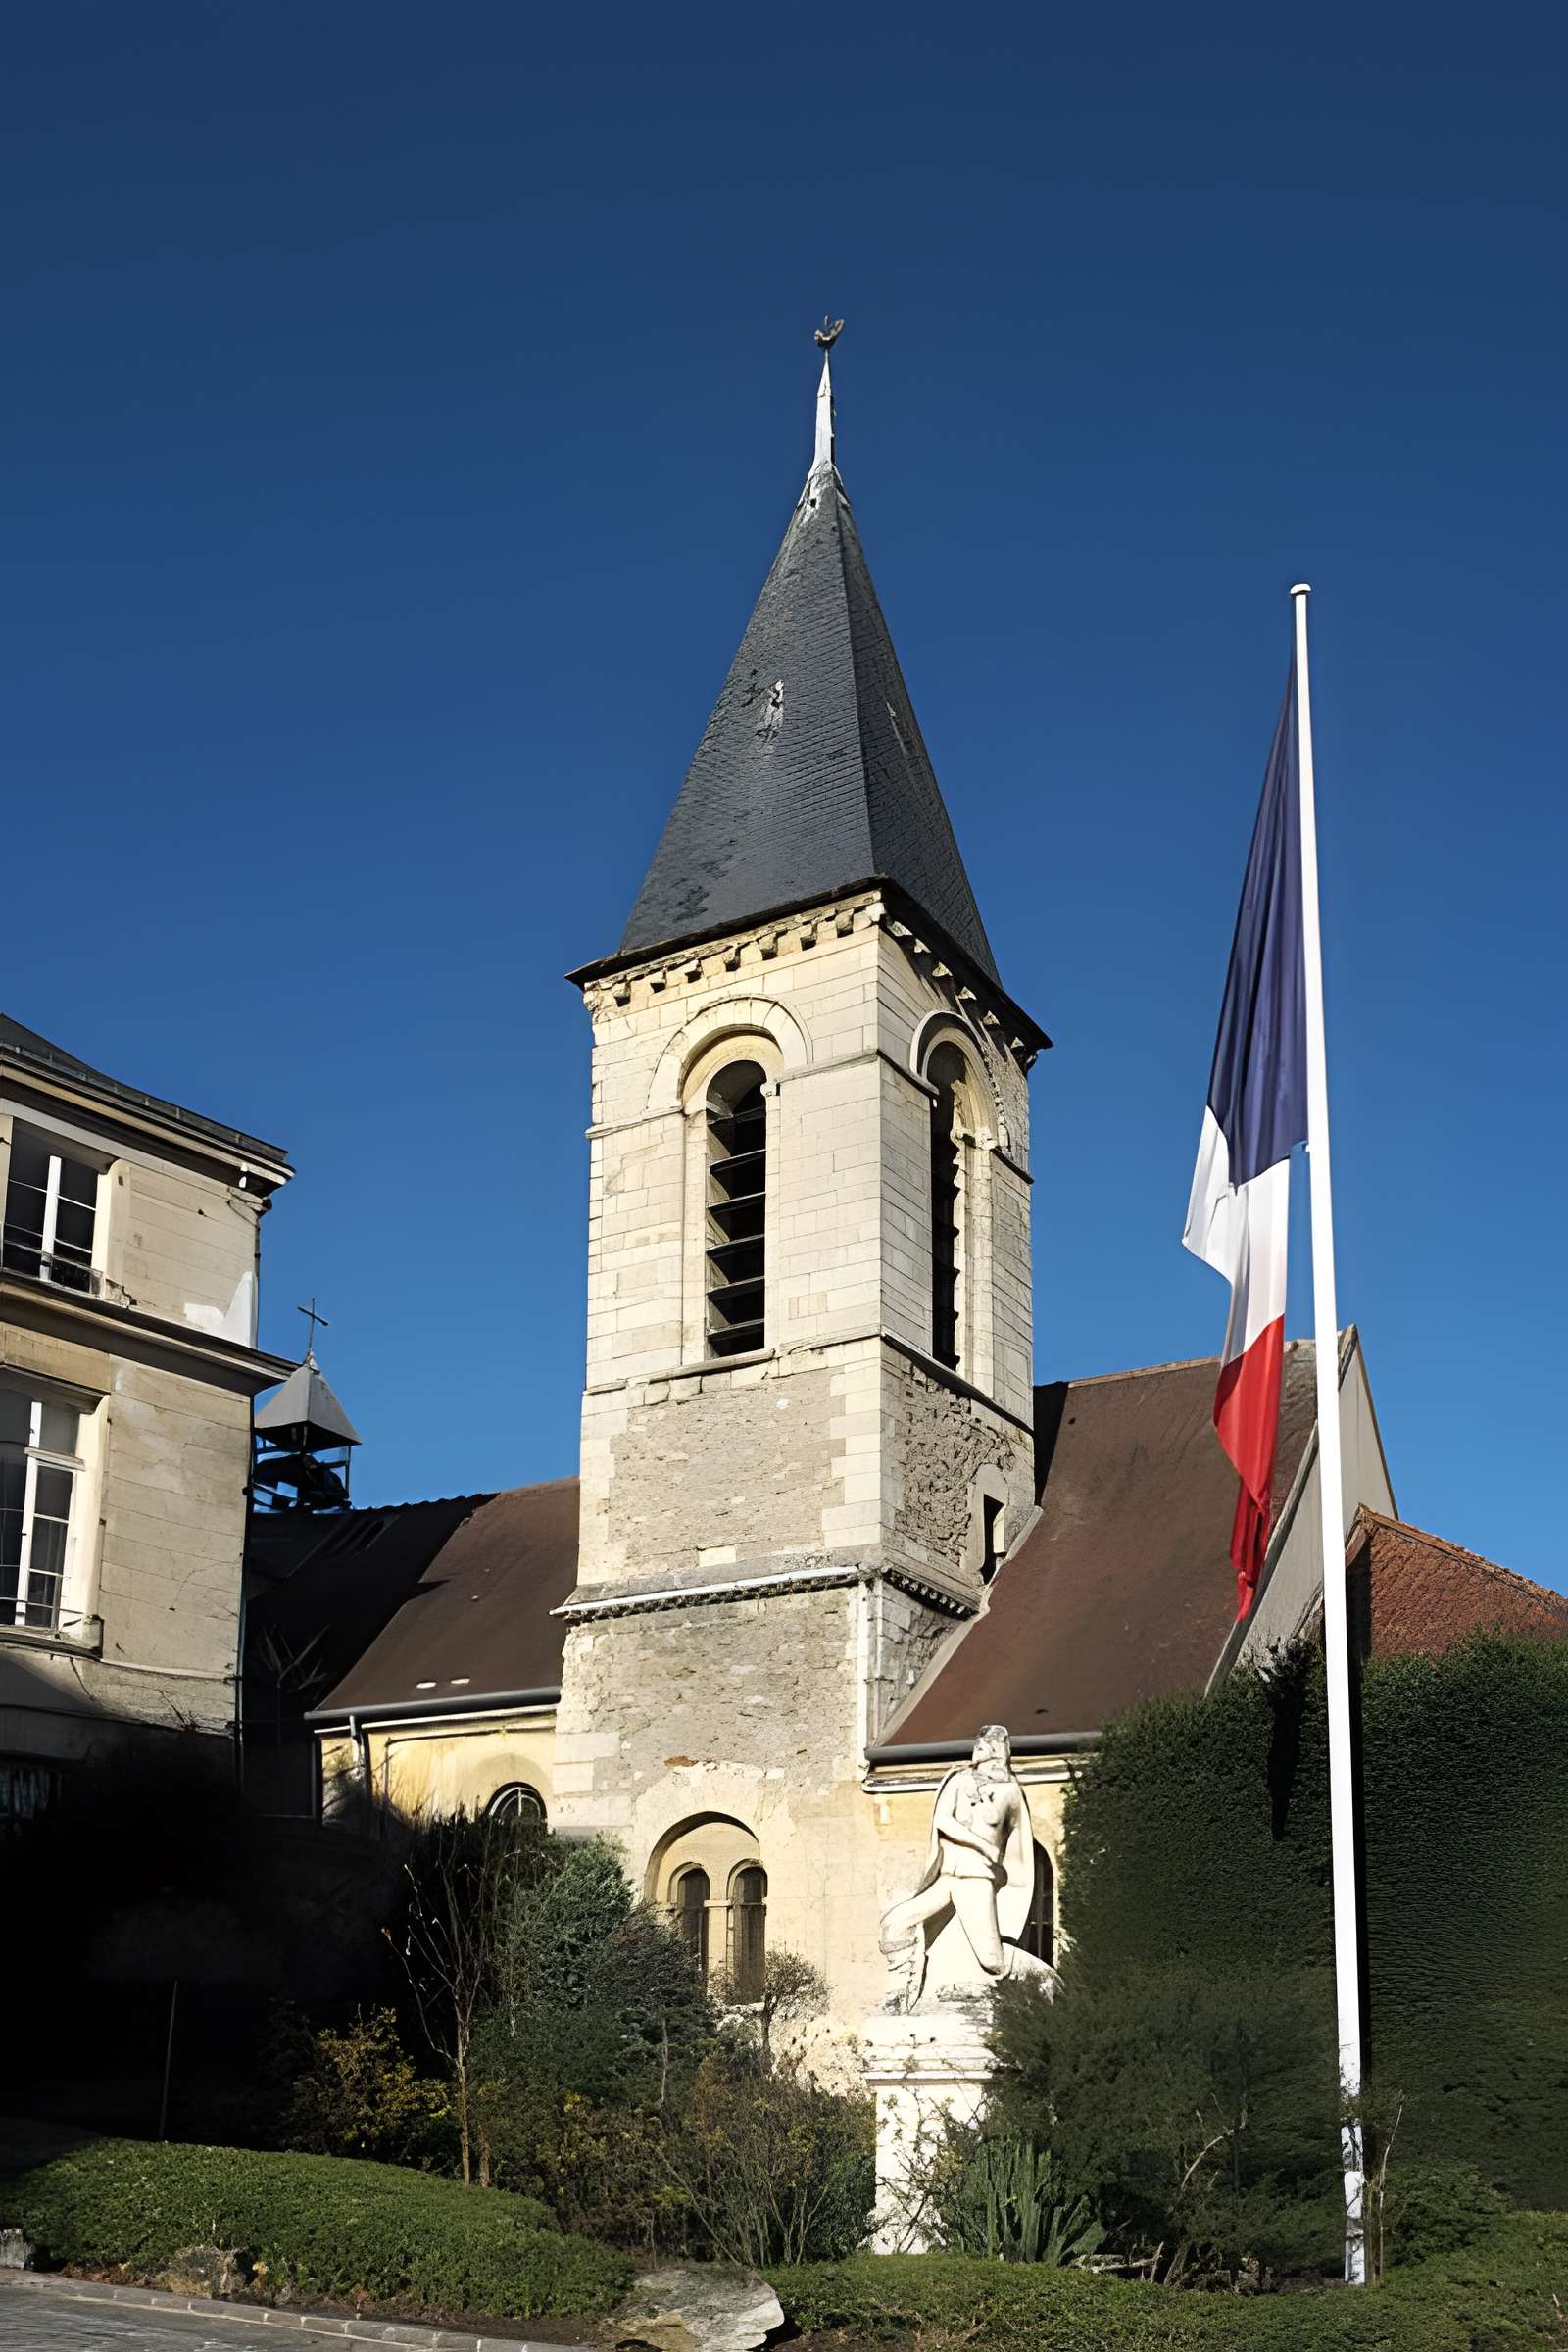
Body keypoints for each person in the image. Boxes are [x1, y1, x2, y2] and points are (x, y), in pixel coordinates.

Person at [878, 1723, 1054, 2012]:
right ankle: (901, 1996)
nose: (976, 1750)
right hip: (949, 1872)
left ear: (997, 1750)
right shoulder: (958, 1779)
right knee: (895, 1923)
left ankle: (1046, 1981)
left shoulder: (1010, 1791)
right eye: (977, 1745)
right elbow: (943, 1821)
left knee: (992, 1960)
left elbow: (1016, 1845)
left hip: (976, 1876)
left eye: (983, 1746)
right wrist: (982, 1845)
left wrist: (1002, 1871)